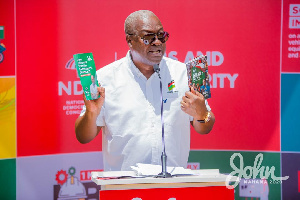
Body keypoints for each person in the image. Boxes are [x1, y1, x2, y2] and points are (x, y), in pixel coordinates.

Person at [75, 10, 215, 171]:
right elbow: (83, 137)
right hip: (124, 187)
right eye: (148, 37)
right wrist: (91, 113)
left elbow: (205, 127)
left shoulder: (182, 73)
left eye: (161, 36)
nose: (157, 42)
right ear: (130, 40)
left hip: (173, 184)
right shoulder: (104, 78)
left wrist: (202, 114)